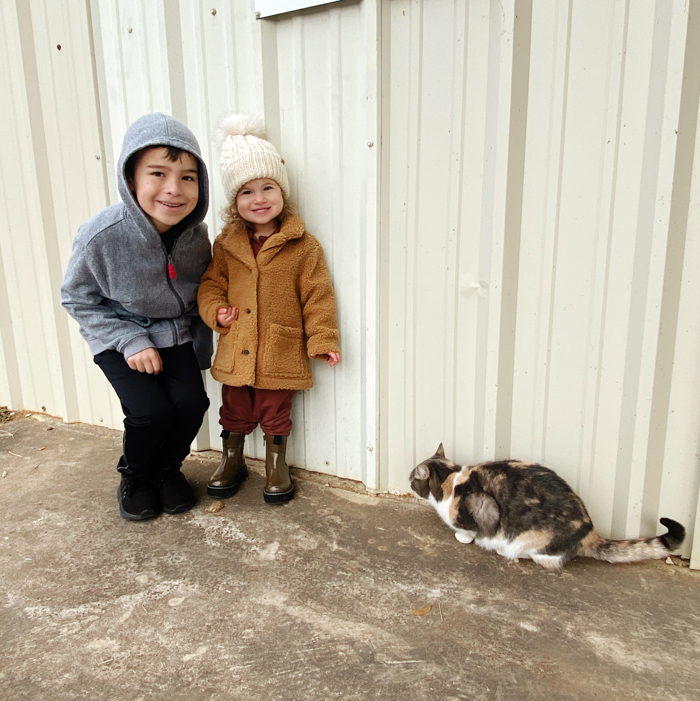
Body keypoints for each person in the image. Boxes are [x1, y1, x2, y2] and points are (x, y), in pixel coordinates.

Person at [61, 113, 213, 521]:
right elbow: (75, 298)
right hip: (117, 333)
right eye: (158, 173)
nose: (174, 188)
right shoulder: (101, 236)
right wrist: (129, 341)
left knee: (191, 403)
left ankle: (166, 470)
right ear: (131, 178)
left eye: (187, 177)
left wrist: (214, 320)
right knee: (150, 412)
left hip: (173, 331)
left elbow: (203, 290)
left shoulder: (196, 236)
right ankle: (136, 476)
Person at [198, 113, 340, 504]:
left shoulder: (303, 245)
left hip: (279, 348)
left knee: (275, 409)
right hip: (237, 345)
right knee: (234, 406)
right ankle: (232, 458)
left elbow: (318, 294)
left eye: (267, 188)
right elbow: (210, 286)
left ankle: (277, 464)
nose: (259, 199)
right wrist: (216, 311)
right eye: (246, 192)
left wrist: (323, 339)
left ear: (282, 192)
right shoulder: (226, 245)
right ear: (234, 202)